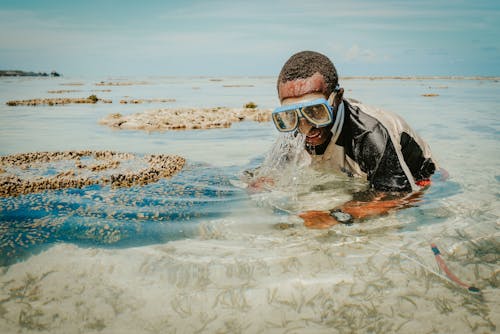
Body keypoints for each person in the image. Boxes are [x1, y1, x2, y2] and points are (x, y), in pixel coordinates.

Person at [267, 50, 436, 229]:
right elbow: (274, 172)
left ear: (338, 98)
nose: (305, 127)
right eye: (291, 114)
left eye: (316, 112)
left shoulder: (370, 134)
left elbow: (400, 196)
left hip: (423, 178)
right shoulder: (296, 129)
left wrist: (336, 215)